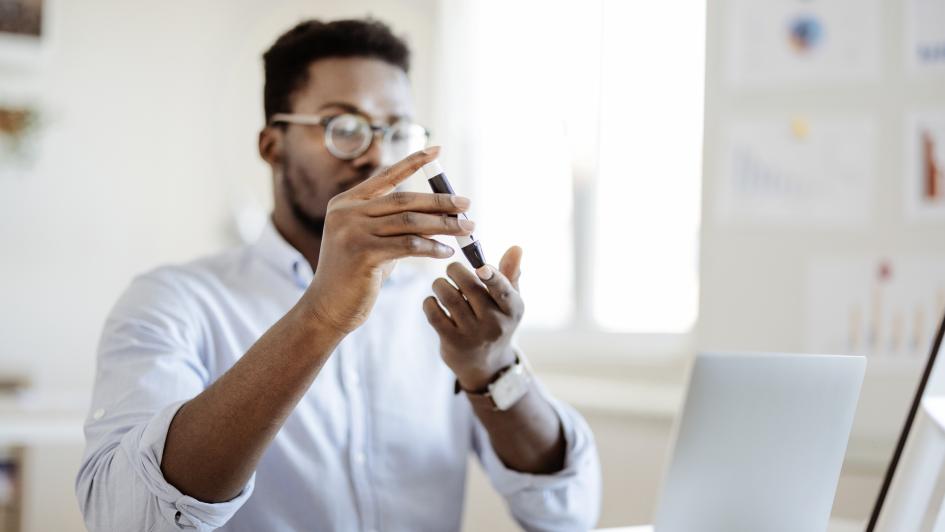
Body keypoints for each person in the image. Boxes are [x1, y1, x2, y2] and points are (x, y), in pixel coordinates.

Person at [76, 18, 600, 532]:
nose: (375, 153)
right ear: (272, 145)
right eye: (343, 128)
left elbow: (567, 513)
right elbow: (131, 520)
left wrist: (491, 368)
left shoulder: (449, 312)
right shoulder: (172, 301)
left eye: (396, 130)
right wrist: (321, 314)